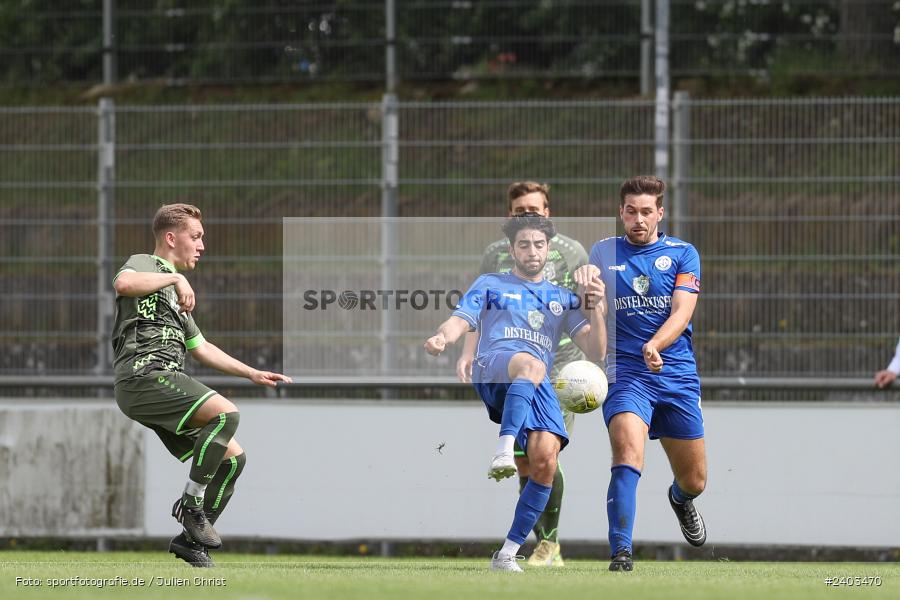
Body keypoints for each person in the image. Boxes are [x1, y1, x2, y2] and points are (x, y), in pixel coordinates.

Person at [112, 203, 292, 567]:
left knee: (232, 459)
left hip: (160, 382)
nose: (202, 245)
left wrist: (252, 373)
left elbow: (202, 348)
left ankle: (189, 543)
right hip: (143, 375)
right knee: (226, 415)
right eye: (195, 236)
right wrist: (175, 278)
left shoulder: (178, 299)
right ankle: (191, 504)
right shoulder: (147, 264)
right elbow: (123, 283)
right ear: (170, 237)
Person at [425, 213, 606, 572]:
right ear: (512, 249)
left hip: (532, 383)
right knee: (532, 365)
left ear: (549, 249)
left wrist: (597, 306)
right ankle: (503, 450)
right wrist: (443, 336)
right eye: (524, 244)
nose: (532, 251)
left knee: (545, 462)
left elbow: (597, 352)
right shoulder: (491, 283)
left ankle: (507, 552)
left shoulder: (564, 298)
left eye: (539, 244)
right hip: (493, 368)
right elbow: (462, 318)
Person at [574, 175, 706, 572]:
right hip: (626, 372)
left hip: (676, 372)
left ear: (660, 213)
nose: (638, 219)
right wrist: (588, 296)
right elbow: (594, 329)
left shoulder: (683, 253)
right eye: (631, 211)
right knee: (627, 454)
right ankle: (621, 552)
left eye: (646, 211)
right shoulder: (602, 253)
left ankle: (680, 500)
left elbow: (682, 312)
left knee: (695, 481)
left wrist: (656, 344)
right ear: (621, 212)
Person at [456, 181, 588, 567]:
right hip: (510, 358)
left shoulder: (572, 252)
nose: (528, 216)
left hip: (560, 364)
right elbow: (481, 308)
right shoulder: (495, 254)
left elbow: (585, 304)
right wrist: (468, 350)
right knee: (524, 459)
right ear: (510, 218)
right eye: (519, 212)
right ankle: (525, 544)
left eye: (535, 209)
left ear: (548, 213)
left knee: (545, 452)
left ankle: (550, 542)